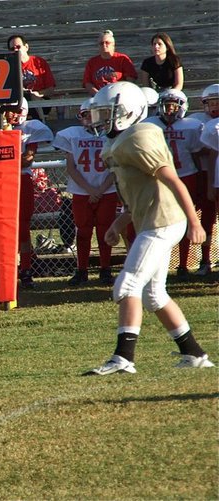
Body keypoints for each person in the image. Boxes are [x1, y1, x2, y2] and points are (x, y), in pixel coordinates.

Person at [85, 81, 213, 375]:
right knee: (153, 295)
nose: (100, 119)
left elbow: (172, 180)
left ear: (127, 112)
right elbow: (140, 192)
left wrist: (195, 222)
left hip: (163, 222)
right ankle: (194, 354)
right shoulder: (120, 140)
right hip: (152, 219)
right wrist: (120, 222)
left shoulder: (138, 138)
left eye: (107, 112)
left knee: (127, 285)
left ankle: (123, 358)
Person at [143, 89, 214, 276]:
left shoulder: (192, 125)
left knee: (187, 219)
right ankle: (162, 264)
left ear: (182, 107)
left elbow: (199, 152)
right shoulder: (150, 125)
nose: (169, 110)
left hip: (186, 175)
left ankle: (184, 263)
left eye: (174, 106)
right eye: (166, 106)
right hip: (160, 176)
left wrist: (201, 177)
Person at [52, 98, 117, 285]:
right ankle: (82, 270)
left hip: (106, 189)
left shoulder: (110, 135)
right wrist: (90, 190)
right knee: (83, 232)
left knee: (105, 231)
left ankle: (106, 269)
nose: (89, 119)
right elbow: (71, 168)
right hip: (82, 191)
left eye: (92, 114)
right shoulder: (72, 135)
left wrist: (100, 189)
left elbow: (116, 167)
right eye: (85, 115)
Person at [4, 98, 54, 289]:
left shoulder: (31, 127)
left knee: (23, 227)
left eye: (16, 109)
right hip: (1, 181)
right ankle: (8, 268)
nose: (11, 114)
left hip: (21, 179)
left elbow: (27, 160)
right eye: (9, 110)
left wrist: (5, 161)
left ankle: (26, 268)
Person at [8, 34, 56, 120]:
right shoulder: (8, 66)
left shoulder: (39, 62)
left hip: (40, 99)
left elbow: (51, 89)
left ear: (26, 47)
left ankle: (40, 123)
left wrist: (38, 94)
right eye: (12, 48)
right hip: (18, 101)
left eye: (18, 47)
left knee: (32, 97)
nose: (15, 50)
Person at [83, 30, 137, 96]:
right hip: (98, 97)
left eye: (107, 43)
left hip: (120, 96)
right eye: (101, 43)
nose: (104, 45)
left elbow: (130, 80)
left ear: (113, 45)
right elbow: (87, 83)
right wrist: (99, 95)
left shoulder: (122, 59)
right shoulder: (92, 62)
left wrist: (121, 94)